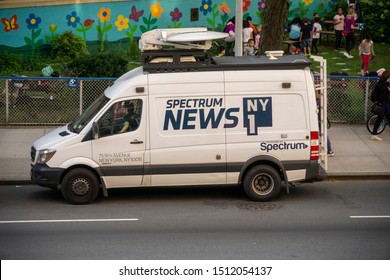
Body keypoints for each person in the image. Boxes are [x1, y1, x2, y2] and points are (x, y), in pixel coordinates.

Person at [370, 70, 390, 141]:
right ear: (387, 77)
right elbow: (382, 96)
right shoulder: (383, 85)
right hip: (385, 105)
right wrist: (388, 96)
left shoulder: (383, 83)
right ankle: (374, 135)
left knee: (379, 119)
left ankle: (374, 134)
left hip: (383, 105)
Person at [316, 90, 334, 156]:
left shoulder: (320, 101)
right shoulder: (321, 99)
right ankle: (329, 150)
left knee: (323, 134)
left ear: (319, 94)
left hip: (321, 120)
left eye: (316, 93)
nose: (315, 95)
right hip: (321, 120)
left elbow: (314, 107)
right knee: (322, 134)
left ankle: (330, 150)